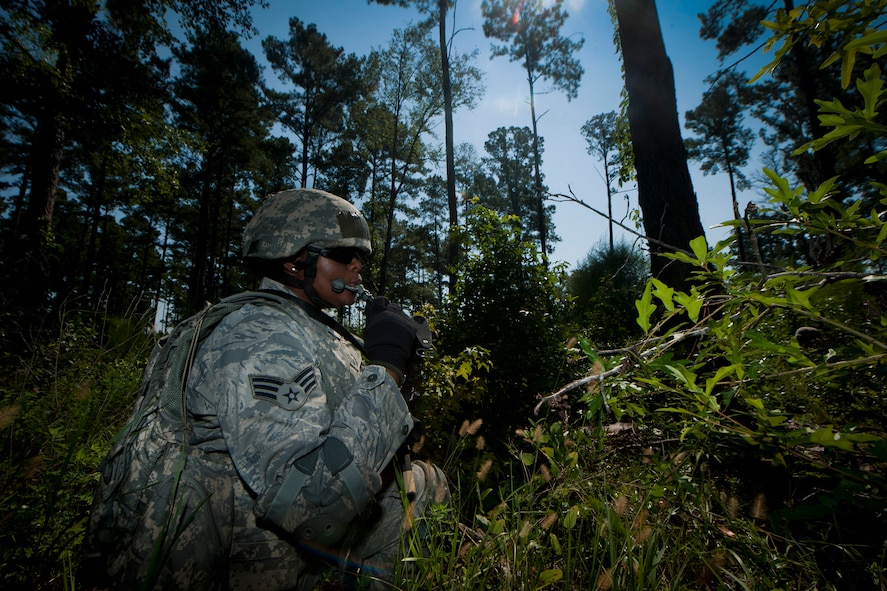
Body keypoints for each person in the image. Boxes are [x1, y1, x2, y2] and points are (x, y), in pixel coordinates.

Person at [80, 188, 449, 590]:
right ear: (294, 263)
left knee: (424, 483)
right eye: (343, 255)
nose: (357, 265)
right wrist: (386, 367)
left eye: (360, 256)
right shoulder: (259, 334)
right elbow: (312, 506)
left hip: (274, 546)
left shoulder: (307, 327)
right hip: (232, 558)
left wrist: (396, 365)